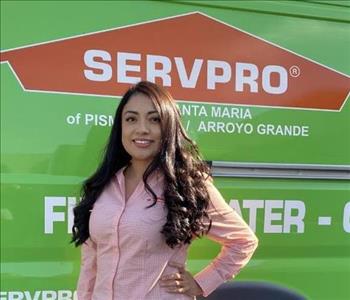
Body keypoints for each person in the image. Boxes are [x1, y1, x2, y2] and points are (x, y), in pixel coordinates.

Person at [72, 81, 258, 300]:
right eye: (131, 119)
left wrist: (201, 283)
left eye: (154, 119)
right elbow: (90, 262)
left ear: (169, 126)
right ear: (120, 127)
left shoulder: (186, 185)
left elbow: (243, 240)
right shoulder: (104, 184)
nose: (142, 128)